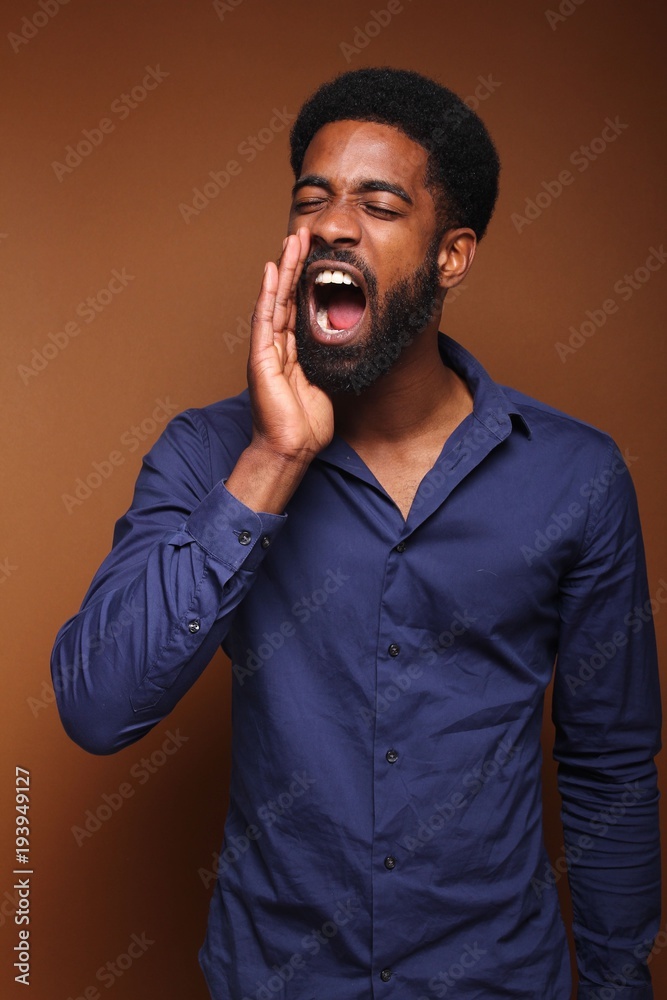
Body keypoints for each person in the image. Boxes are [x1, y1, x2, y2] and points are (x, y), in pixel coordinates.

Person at [51, 67, 661, 999]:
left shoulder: (575, 478)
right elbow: (97, 707)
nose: (334, 224)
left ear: (451, 256)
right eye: (312, 199)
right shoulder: (207, 453)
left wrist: (619, 984)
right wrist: (270, 462)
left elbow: (609, 762)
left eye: (379, 204)